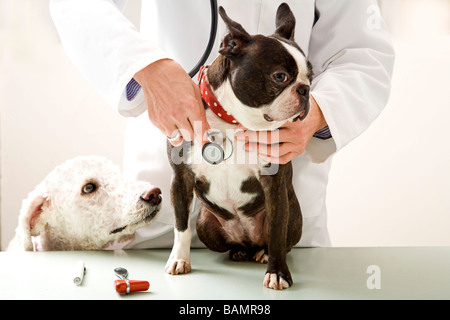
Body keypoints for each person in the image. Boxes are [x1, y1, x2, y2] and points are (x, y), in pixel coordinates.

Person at [49, 0, 395, 248]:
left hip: (279, 219)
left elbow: (363, 52)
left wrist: (318, 112)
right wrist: (145, 66)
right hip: (162, 219)